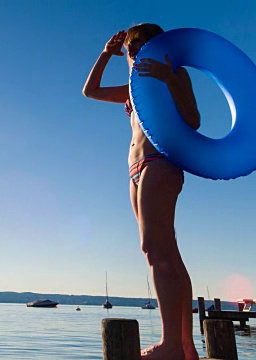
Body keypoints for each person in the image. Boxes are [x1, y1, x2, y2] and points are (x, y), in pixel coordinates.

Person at [82, 23, 200, 360]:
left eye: (142, 44)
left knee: (155, 250)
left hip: (159, 162)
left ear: (158, 45)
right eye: (131, 47)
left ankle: (171, 345)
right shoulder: (133, 88)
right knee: (166, 254)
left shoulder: (172, 74)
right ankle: (185, 345)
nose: (134, 50)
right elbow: (90, 91)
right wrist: (106, 54)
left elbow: (193, 120)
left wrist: (169, 79)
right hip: (134, 171)